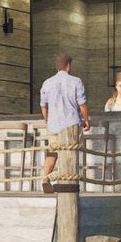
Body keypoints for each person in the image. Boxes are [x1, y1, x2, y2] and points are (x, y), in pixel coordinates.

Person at [39, 53, 89, 185]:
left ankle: (45, 179)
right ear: (68, 66)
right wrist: (87, 120)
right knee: (70, 152)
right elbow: (82, 104)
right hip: (71, 125)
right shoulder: (76, 81)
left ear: (57, 67)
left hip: (53, 125)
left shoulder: (47, 83)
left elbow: (43, 106)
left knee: (52, 152)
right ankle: (67, 182)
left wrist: (47, 120)